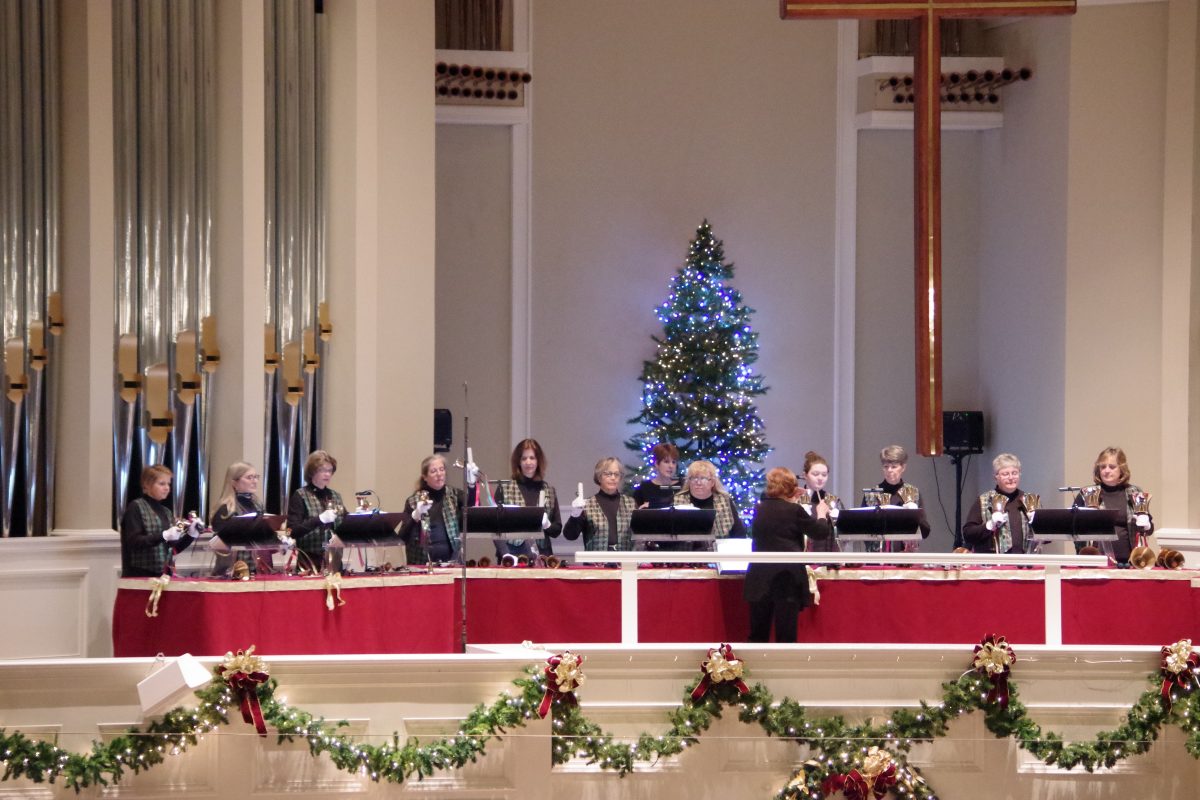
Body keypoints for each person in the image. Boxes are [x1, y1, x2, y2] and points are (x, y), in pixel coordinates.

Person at [745, 467, 827, 642]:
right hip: (787, 578)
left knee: (758, 635)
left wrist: (790, 497)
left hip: (759, 578)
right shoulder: (794, 510)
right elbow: (820, 532)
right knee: (786, 636)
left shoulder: (759, 509)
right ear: (791, 488)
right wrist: (821, 514)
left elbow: (774, 506)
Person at [1072, 447, 1153, 565]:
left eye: (1112, 466)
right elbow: (1073, 528)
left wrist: (1146, 525)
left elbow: (1149, 530)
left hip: (1129, 562)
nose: (1106, 470)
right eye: (1103, 467)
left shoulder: (1135, 492)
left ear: (1122, 469)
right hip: (1096, 562)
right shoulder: (1087, 493)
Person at [120, 465, 199, 577]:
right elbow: (134, 541)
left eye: (168, 484)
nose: (167, 488)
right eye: (162, 484)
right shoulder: (136, 507)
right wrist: (163, 535)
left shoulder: (166, 512)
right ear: (147, 485)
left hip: (163, 575)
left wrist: (191, 535)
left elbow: (172, 549)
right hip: (139, 575)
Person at [210, 462, 285, 575]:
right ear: (234, 482)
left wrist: (279, 542)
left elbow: (263, 536)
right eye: (249, 477)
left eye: (256, 477)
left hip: (259, 570)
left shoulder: (258, 506)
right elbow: (219, 544)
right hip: (233, 572)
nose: (254, 481)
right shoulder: (225, 509)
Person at [492, 438, 562, 558]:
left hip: (542, 557)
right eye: (524, 458)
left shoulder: (549, 490)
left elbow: (556, 531)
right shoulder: (504, 489)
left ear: (538, 460)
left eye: (532, 458)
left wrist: (547, 525)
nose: (528, 462)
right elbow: (495, 527)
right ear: (518, 462)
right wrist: (506, 554)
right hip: (512, 556)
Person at [962, 453, 1037, 554]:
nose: (1011, 477)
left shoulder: (1029, 500)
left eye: (1014, 473)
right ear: (996, 477)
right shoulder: (984, 500)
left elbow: (1045, 538)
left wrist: (1040, 525)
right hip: (993, 562)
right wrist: (989, 525)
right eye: (1005, 474)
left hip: (1025, 561)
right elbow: (968, 534)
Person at [860, 445, 931, 551]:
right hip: (877, 555)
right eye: (886, 467)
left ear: (903, 467)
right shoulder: (872, 495)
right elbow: (861, 528)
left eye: (894, 467)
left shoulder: (913, 493)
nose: (889, 470)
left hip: (905, 555)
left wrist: (916, 515)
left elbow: (925, 531)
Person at [399, 454, 466, 564]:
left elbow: (474, 508)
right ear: (425, 477)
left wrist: (472, 486)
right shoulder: (413, 501)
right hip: (421, 563)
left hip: (451, 563)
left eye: (442, 469)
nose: (439, 474)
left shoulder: (455, 495)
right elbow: (402, 537)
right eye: (433, 471)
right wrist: (415, 516)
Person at [287, 450, 346, 572]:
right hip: (309, 562)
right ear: (312, 472)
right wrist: (319, 519)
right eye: (323, 470)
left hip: (334, 559)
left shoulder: (335, 496)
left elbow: (345, 524)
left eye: (330, 470)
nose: (327, 474)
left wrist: (358, 519)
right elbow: (292, 531)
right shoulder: (300, 495)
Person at [563, 456, 637, 551]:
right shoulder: (587, 505)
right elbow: (570, 536)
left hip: (624, 558)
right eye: (608, 474)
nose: (613, 478)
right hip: (595, 559)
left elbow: (640, 534)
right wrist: (575, 514)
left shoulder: (630, 503)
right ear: (599, 477)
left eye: (616, 474)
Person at [672, 460, 746, 541]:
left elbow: (739, 533)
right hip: (686, 547)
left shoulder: (724, 500)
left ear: (712, 482)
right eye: (694, 478)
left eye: (703, 478)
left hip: (720, 546)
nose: (698, 483)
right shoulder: (678, 500)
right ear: (689, 481)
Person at [800, 451, 840, 552]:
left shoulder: (833, 501)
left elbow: (841, 534)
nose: (820, 478)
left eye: (824, 475)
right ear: (805, 475)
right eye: (815, 474)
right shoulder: (797, 499)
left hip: (828, 554)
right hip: (803, 556)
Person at [632, 443, 682, 509]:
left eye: (674, 462)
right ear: (657, 464)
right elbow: (635, 511)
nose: (671, 466)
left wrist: (653, 504)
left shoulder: (683, 486)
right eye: (666, 462)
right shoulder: (645, 487)